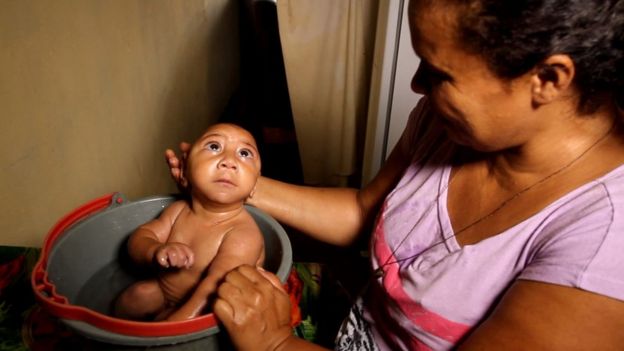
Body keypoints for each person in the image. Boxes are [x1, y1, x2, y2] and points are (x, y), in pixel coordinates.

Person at [167, 0, 624, 349]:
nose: (417, 85)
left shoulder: (603, 250)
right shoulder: (449, 125)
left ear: (548, 78)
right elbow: (364, 211)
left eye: (441, 73)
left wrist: (275, 342)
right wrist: (237, 182)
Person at [116, 123, 265, 322]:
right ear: (185, 171)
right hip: (164, 291)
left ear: (254, 187)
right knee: (137, 295)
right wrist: (155, 251)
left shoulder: (244, 234)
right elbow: (140, 238)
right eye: (214, 147)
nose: (229, 161)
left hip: (206, 309)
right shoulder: (178, 211)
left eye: (245, 153)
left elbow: (216, 288)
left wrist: (174, 327)